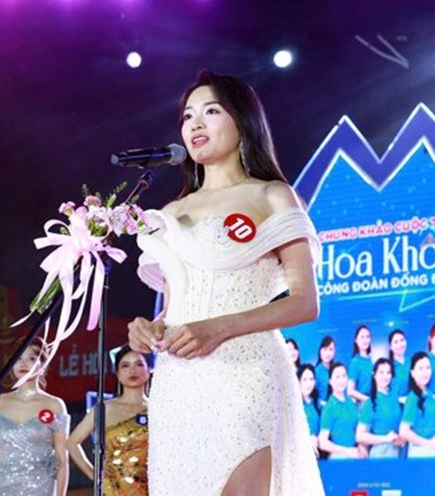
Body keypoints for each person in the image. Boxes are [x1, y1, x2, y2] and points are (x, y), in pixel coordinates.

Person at [128, 71, 325, 495]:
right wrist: (152, 326)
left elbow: (305, 302)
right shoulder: (172, 211)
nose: (195, 124)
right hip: (179, 382)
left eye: (211, 111)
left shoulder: (272, 196)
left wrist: (219, 327)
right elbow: (177, 304)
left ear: (243, 123)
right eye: (188, 116)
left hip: (245, 371)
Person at [0, 339, 69, 495]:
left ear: (42, 366)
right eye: (18, 358)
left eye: (32, 358)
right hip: (1, 486)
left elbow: (62, 459)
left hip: (40, 486)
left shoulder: (54, 405)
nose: (23, 364)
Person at [67, 345, 151, 495]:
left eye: (139, 364)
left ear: (148, 370)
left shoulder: (158, 409)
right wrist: (93, 474)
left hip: (152, 487)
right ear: (118, 374)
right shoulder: (104, 408)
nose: (132, 370)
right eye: (125, 365)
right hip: (112, 489)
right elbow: (72, 442)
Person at [356, 358, 403, 458]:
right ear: (374, 375)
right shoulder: (370, 403)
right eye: (381, 372)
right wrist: (385, 438)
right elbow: (360, 436)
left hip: (398, 450)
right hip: (381, 452)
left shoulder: (394, 396)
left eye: (388, 372)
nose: (385, 376)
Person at [399, 352, 435, 458]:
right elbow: (404, 431)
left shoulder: (429, 394)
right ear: (412, 373)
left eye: (428, 368)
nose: (425, 372)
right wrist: (429, 443)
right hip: (421, 452)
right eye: (421, 368)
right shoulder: (412, 398)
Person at [318, 362, 365, 460]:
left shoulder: (351, 403)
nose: (341, 380)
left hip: (355, 454)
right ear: (330, 381)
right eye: (337, 377)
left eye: (344, 376)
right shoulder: (329, 408)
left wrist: (360, 446)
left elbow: (355, 430)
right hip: (339, 456)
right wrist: (347, 451)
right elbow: (323, 443)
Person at [299, 364, 322, 450]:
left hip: (317, 448)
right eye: (304, 380)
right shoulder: (293, 405)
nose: (308, 384)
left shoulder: (318, 404)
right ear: (298, 381)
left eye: (311, 379)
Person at [348, 325, 373, 403]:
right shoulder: (355, 362)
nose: (365, 340)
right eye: (362, 337)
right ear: (356, 340)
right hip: (362, 405)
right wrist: (367, 400)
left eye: (368, 337)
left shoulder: (370, 360)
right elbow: (350, 391)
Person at [388, 329, 409, 401]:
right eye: (396, 342)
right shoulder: (388, 367)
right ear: (390, 347)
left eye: (402, 340)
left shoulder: (412, 363)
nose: (400, 344)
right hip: (394, 407)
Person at [315, 336, 336, 400]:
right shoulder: (316, 372)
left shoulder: (337, 370)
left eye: (330, 349)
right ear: (320, 351)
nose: (327, 353)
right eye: (325, 349)